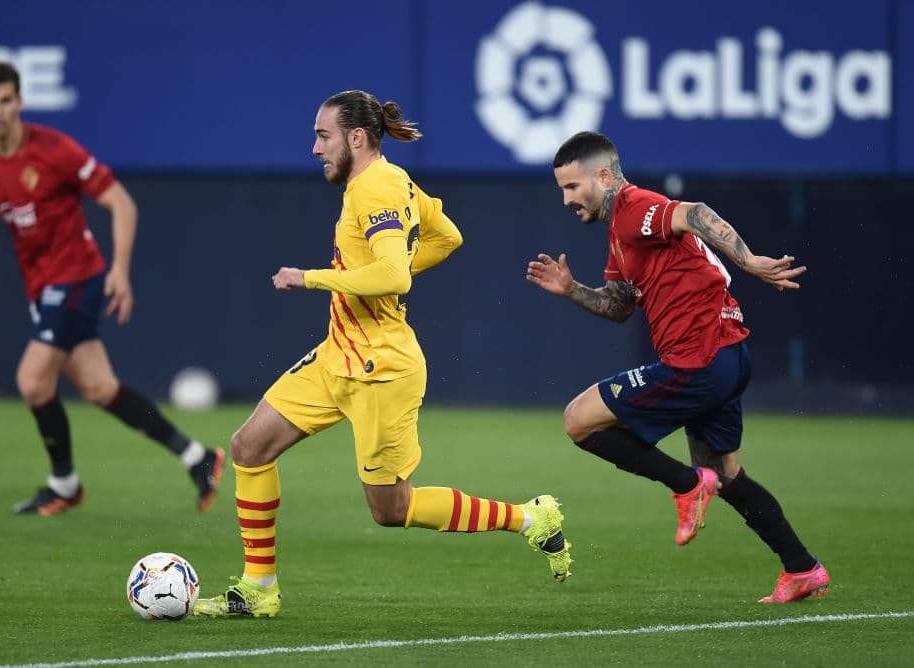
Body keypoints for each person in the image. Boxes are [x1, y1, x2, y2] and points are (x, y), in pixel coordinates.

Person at [192, 90, 571, 618]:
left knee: (391, 510)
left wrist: (313, 278)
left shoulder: (376, 187)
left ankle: (532, 519)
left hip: (382, 370)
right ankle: (260, 589)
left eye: (323, 136)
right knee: (249, 447)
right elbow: (448, 236)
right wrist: (379, 277)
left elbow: (394, 274)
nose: (315, 148)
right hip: (337, 356)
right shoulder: (390, 183)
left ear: (355, 138)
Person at [526, 131, 829, 603]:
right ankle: (802, 568)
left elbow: (694, 213)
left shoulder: (633, 208)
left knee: (577, 421)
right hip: (727, 358)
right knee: (728, 477)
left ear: (603, 176)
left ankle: (687, 485)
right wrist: (573, 291)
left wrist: (749, 262)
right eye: (562, 189)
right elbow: (621, 306)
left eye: (572, 187)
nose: (566, 199)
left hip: (699, 362)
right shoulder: (619, 234)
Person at [0, 61, 224, 516]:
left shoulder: (54, 150)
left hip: (78, 276)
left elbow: (121, 202)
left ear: (19, 102)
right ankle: (198, 457)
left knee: (32, 380)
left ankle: (64, 483)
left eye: (5, 100)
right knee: (100, 389)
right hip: (40, 287)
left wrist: (119, 270)